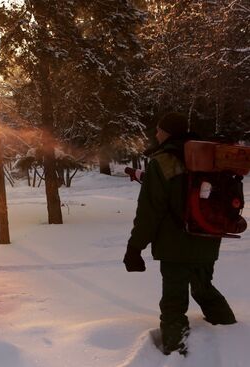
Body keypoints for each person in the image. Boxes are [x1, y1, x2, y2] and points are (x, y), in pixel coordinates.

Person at [123, 112, 237, 356]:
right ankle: (232, 333)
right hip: (207, 238)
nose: (156, 134)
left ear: (167, 132)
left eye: (158, 130)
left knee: (174, 303)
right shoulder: (207, 157)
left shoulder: (163, 161)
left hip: (175, 246)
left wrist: (135, 248)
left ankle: (177, 353)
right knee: (204, 289)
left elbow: (150, 211)